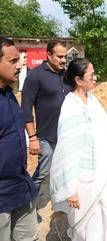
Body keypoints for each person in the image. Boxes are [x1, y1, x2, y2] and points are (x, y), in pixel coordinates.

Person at [49, 58, 107, 241]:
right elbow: (67, 151)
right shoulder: (71, 107)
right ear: (78, 79)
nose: (95, 78)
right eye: (91, 75)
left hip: (104, 175)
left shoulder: (92, 101)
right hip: (84, 180)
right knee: (91, 224)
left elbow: (103, 133)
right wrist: (71, 189)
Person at [0, 37, 39, 240]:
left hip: (21, 189)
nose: (20, 65)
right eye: (13, 61)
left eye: (20, 60)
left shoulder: (8, 94)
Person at [21, 40, 70, 197]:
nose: (63, 60)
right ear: (49, 55)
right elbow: (26, 109)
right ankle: (28, 205)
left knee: (66, 170)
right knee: (43, 173)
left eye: (65, 56)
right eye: (59, 56)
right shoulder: (35, 76)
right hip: (45, 137)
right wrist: (33, 138)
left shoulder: (67, 75)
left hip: (65, 135)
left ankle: (61, 201)